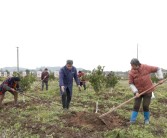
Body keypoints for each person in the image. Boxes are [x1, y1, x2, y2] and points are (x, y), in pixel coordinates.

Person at [128, 58, 163, 124]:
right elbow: (131, 83)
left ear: (137, 65)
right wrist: (136, 92)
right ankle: (132, 121)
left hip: (148, 90)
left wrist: (160, 78)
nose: (131, 67)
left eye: (133, 65)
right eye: (131, 65)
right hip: (138, 92)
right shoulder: (131, 73)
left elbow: (158, 69)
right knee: (136, 106)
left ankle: (146, 120)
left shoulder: (145, 67)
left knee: (145, 106)